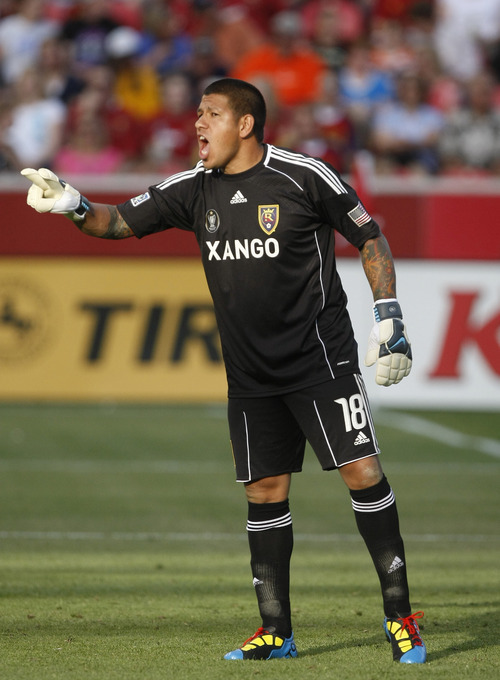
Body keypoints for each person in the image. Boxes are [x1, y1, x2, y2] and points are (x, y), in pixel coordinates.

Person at [20, 77, 426, 665]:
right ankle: (276, 632)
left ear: (245, 124)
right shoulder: (195, 189)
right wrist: (72, 204)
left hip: (322, 360)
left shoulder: (305, 176)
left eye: (209, 114)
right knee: (264, 490)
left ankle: (401, 619)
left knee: (362, 474)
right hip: (251, 374)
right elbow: (118, 223)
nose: (197, 125)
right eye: (197, 114)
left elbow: (369, 238)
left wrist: (388, 313)